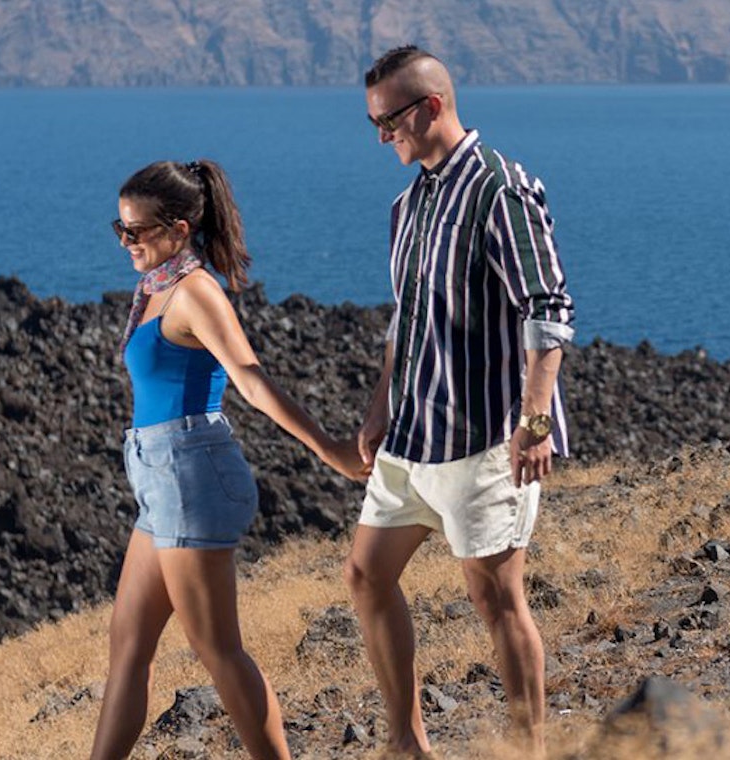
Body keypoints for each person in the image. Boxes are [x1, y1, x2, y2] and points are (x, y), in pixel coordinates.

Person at [89, 159, 364, 760]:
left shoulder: (196, 292)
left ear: (179, 230)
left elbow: (253, 382)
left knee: (218, 649)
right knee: (128, 645)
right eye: (120, 228)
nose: (125, 241)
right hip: (161, 480)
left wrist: (332, 451)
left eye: (136, 231)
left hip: (191, 475)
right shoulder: (158, 285)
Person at [345, 46, 575, 757]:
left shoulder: (499, 189)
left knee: (496, 599)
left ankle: (526, 750)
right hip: (411, 438)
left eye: (389, 122)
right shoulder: (409, 203)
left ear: (431, 107)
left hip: (483, 440)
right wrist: (381, 407)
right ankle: (407, 743)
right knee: (365, 575)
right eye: (376, 126)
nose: (384, 137)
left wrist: (535, 421)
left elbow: (548, 307)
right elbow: (404, 320)